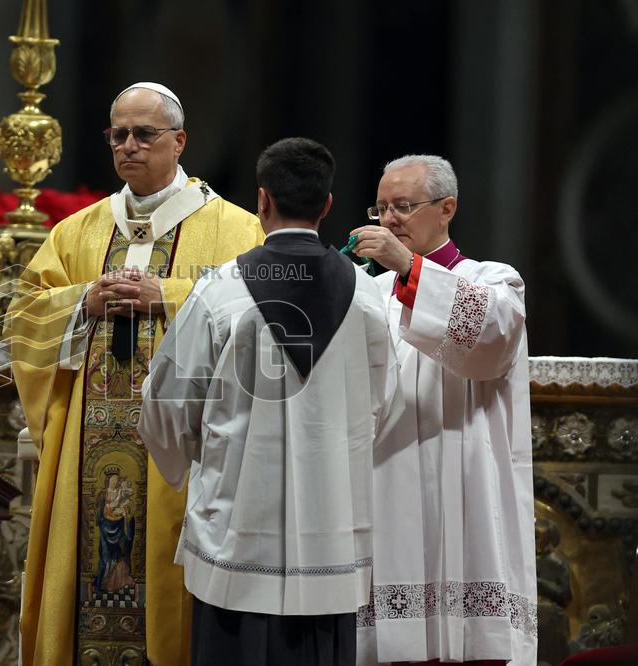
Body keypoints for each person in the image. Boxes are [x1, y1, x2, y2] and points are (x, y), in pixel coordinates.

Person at [7, 82, 265, 665]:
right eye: (117, 134)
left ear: (180, 141)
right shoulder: (78, 231)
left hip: (188, 451)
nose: (129, 146)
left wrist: (168, 295)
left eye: (144, 134)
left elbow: (260, 318)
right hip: (86, 443)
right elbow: (24, 317)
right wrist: (81, 304)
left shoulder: (236, 230)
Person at [138, 137, 399, 666]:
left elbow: (165, 403)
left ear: (261, 202)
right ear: (327, 205)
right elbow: (384, 405)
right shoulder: (370, 297)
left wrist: (197, 460)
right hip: (329, 533)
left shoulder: (218, 291)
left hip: (236, 533)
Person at [350, 155, 537, 665]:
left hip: (464, 475)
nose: (388, 220)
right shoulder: (366, 293)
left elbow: (490, 339)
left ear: (447, 208)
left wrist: (410, 270)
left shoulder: (495, 279)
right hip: (384, 473)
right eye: (381, 207)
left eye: (403, 206)